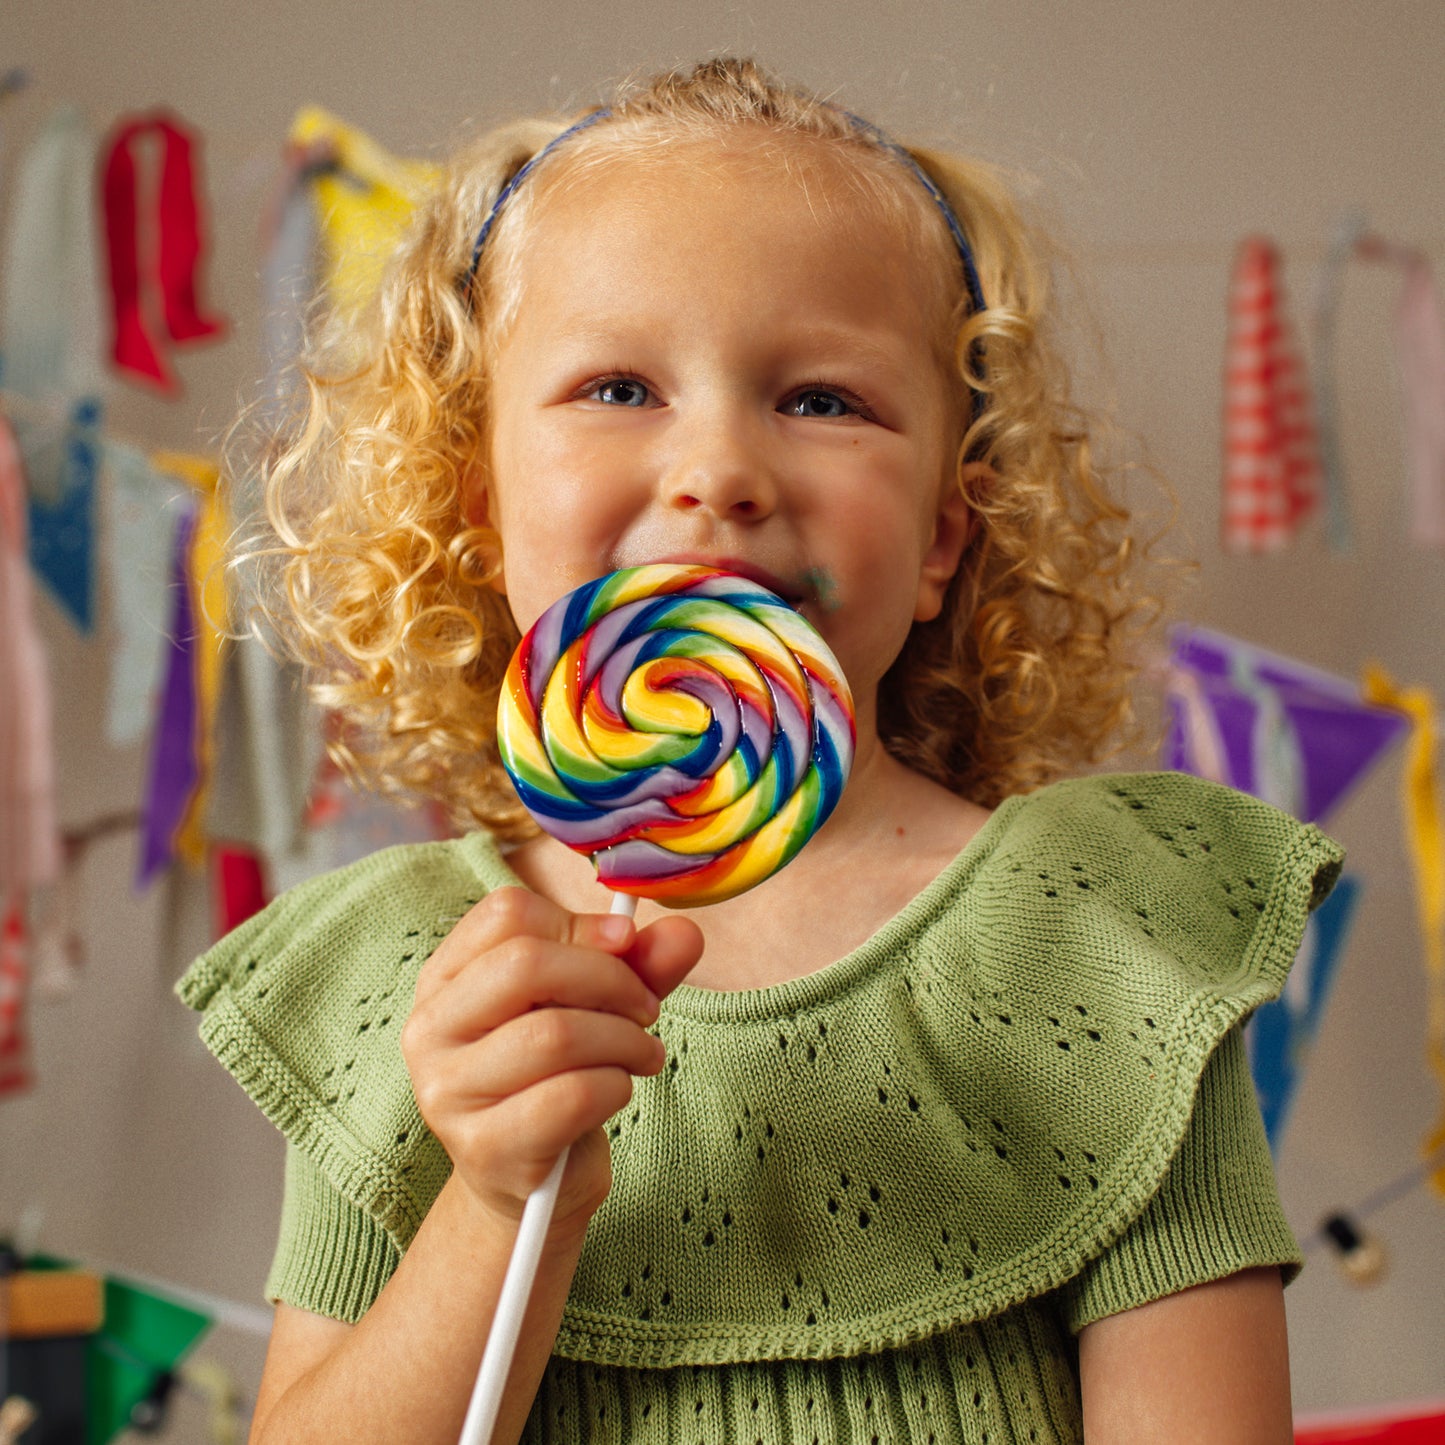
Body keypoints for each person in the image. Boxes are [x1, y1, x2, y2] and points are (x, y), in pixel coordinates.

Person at [180, 57, 1341, 1444]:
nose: (718, 466)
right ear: (479, 509)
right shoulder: (409, 985)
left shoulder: (1101, 939)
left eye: (821, 400)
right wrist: (494, 1207)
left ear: (940, 541)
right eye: (618, 385)